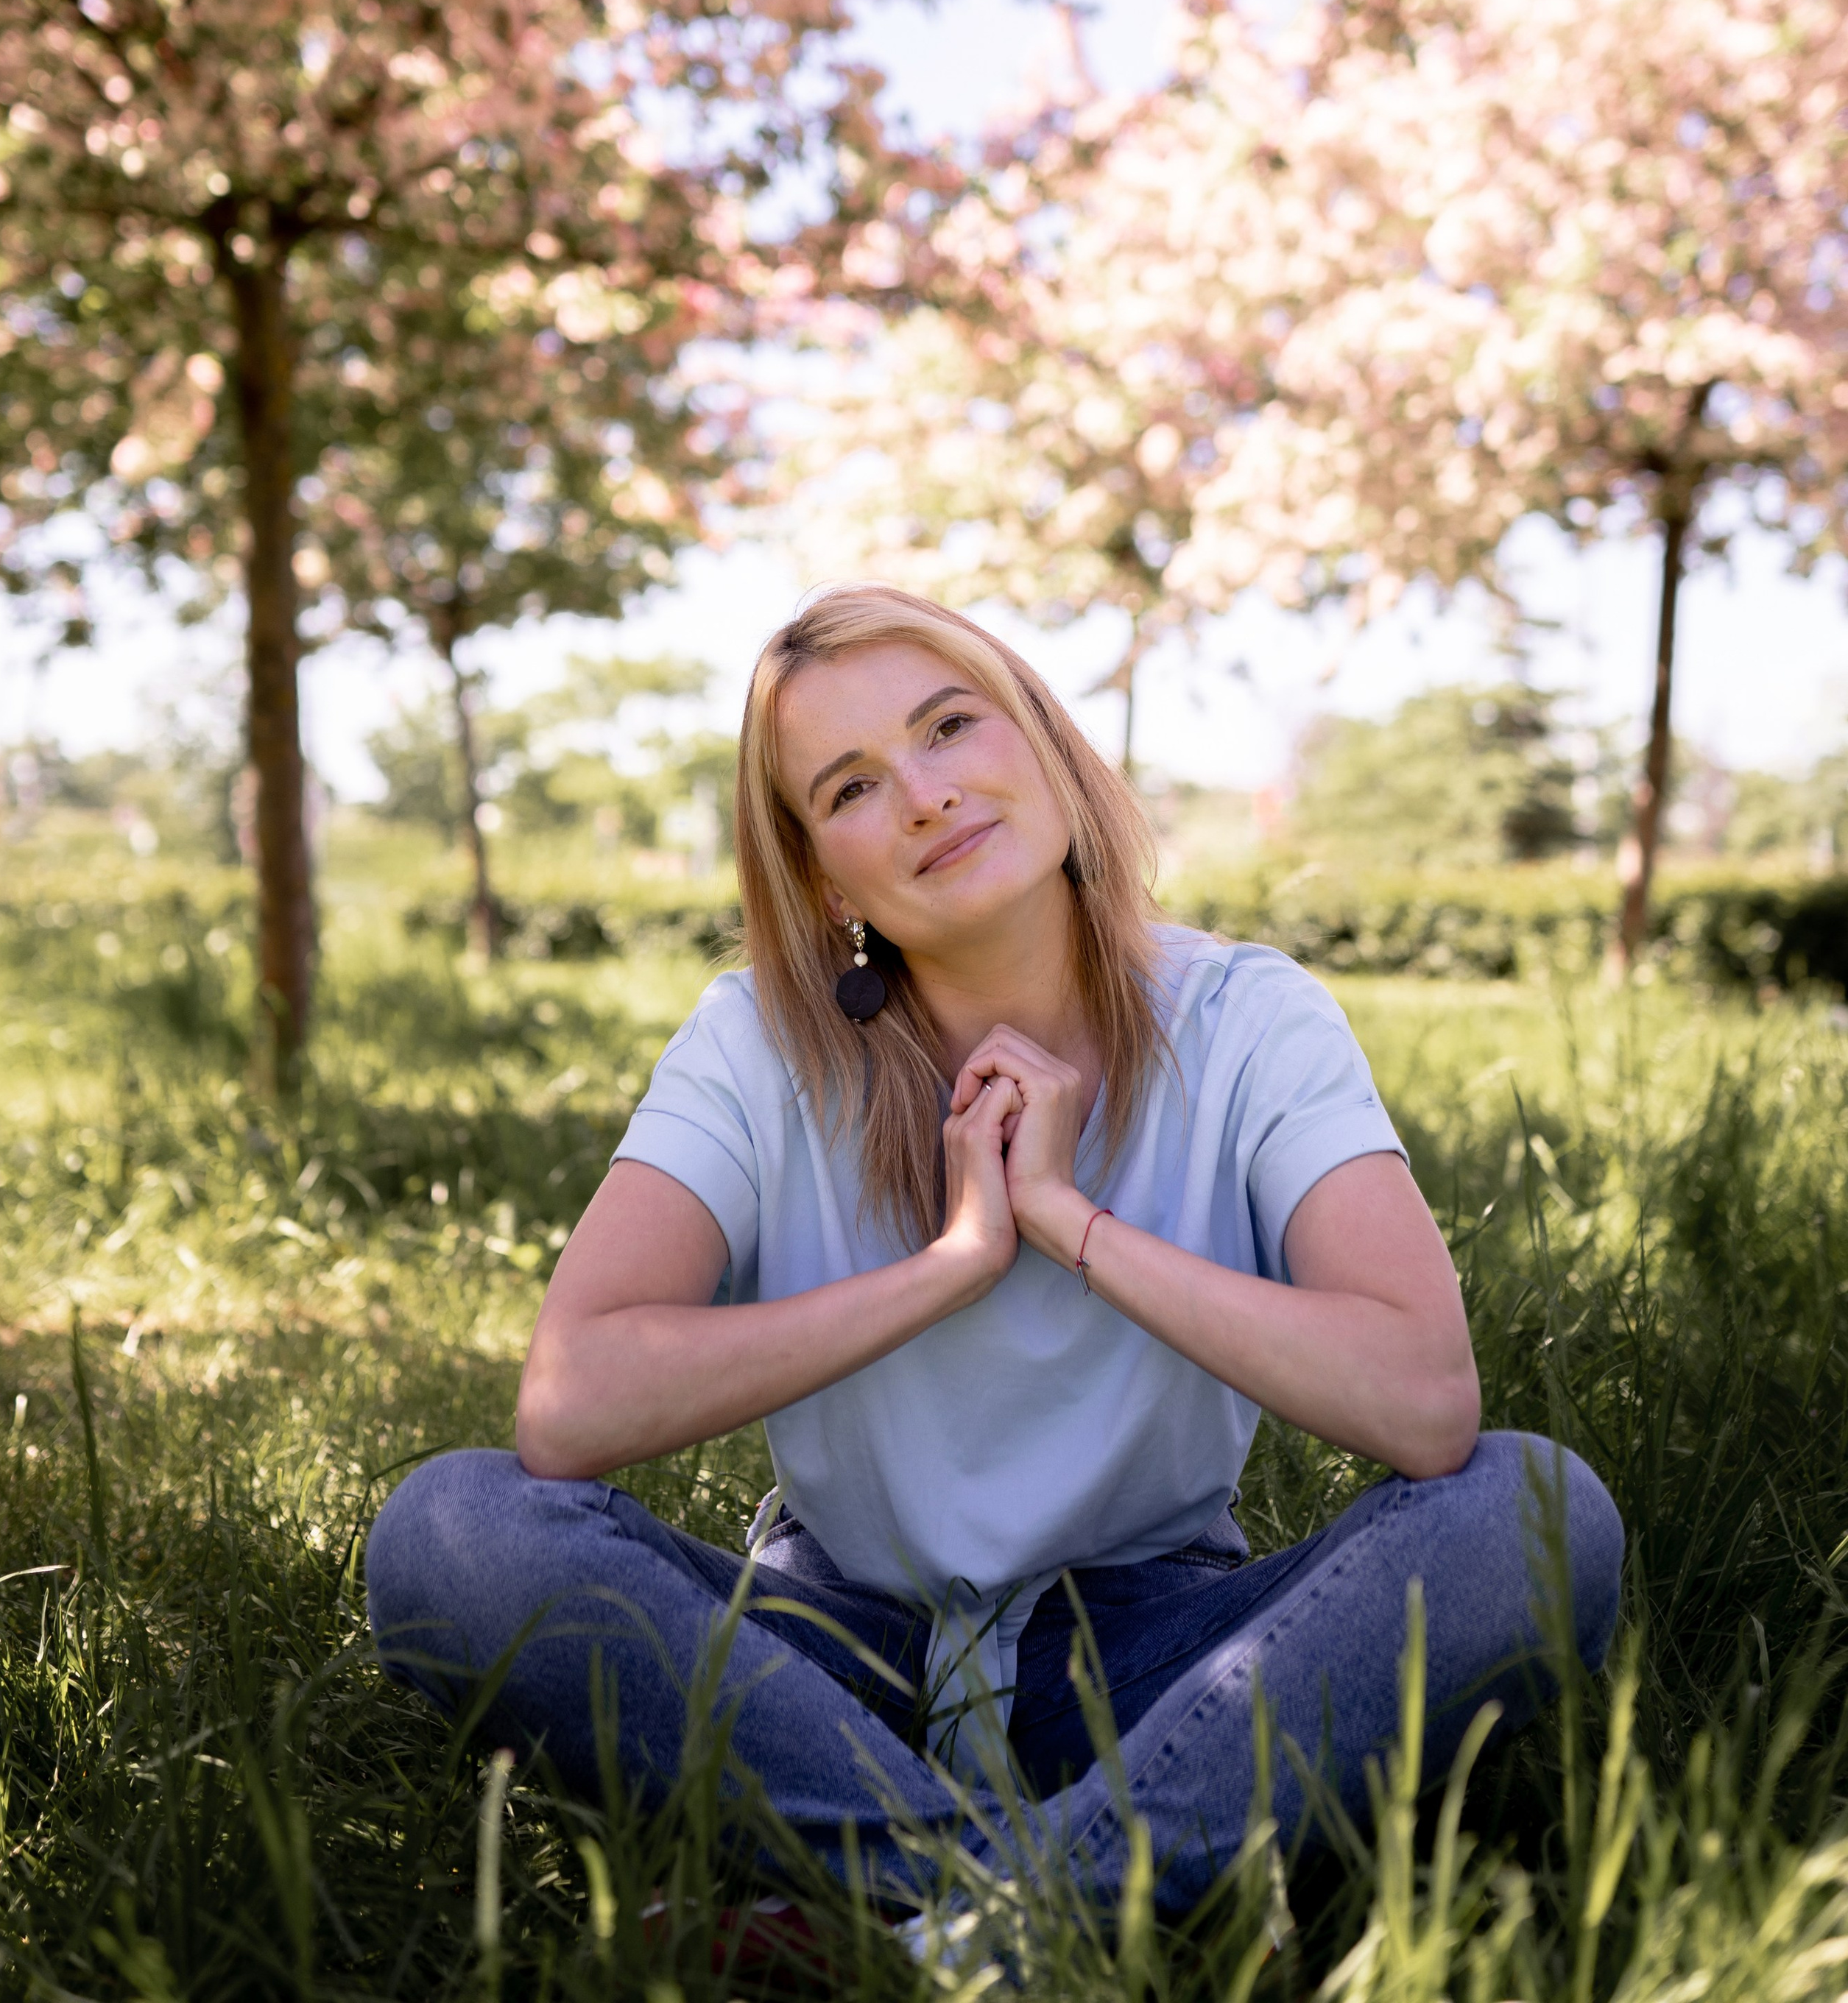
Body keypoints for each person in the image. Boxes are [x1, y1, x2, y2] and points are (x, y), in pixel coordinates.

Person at [366, 584, 1621, 1918]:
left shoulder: (1251, 1019)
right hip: (823, 1666)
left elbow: (1426, 1403)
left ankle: (919, 1917)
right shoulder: (754, 1045)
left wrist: (1070, 1225)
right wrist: (957, 1260)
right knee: (451, 1529)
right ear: (817, 872)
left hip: (1154, 1660)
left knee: (1537, 1513)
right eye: (851, 788)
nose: (923, 795)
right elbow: (571, 1409)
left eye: (950, 726)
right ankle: (1051, 1915)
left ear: (1043, 740)